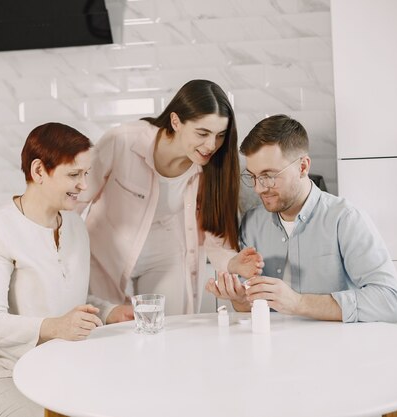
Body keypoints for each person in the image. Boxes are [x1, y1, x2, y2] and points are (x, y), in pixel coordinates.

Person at [0, 122, 134, 417]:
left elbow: (70, 300)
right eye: (74, 174)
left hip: (61, 365)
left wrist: (110, 311)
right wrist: (54, 326)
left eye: (86, 174)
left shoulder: (75, 225)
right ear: (39, 171)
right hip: (3, 373)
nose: (83, 185)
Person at [77, 79, 263, 315]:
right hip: (108, 252)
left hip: (167, 254)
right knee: (106, 333)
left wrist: (231, 262)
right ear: (176, 121)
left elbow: (215, 237)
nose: (211, 145)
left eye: (220, 135)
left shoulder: (214, 168)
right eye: (202, 133)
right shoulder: (121, 141)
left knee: (172, 332)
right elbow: (75, 200)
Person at [206, 114, 397, 322]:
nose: (258, 188)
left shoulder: (345, 219)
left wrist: (298, 303)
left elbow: (390, 303)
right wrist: (239, 299)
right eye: (253, 177)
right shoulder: (253, 223)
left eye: (269, 176)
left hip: (336, 351)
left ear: (303, 167)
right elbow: (251, 308)